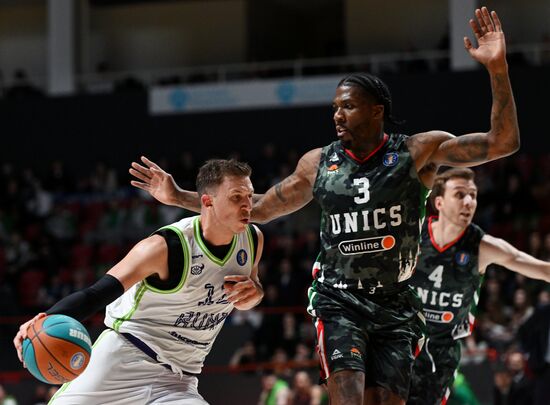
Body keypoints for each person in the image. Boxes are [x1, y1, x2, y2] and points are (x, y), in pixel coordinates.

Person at [129, 8, 519, 405]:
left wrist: (497, 69)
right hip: (339, 300)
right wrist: (180, 196)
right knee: (347, 396)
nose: (337, 115)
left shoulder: (418, 152)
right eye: (335, 107)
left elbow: (503, 143)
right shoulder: (319, 163)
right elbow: (259, 208)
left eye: (348, 106)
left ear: (376, 111)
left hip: (396, 301)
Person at [13, 159, 264, 405]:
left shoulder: (253, 241)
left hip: (178, 380)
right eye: (236, 197)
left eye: (250, 196)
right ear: (207, 202)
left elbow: (251, 292)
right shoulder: (165, 247)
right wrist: (45, 318)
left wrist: (255, 295)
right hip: (122, 361)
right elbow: (98, 293)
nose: (248, 205)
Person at [407, 168, 550, 405]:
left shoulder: (482, 246)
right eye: (459, 194)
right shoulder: (413, 235)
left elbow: (542, 270)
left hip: (442, 350)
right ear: (439, 202)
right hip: (402, 339)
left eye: (473, 195)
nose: (469, 201)